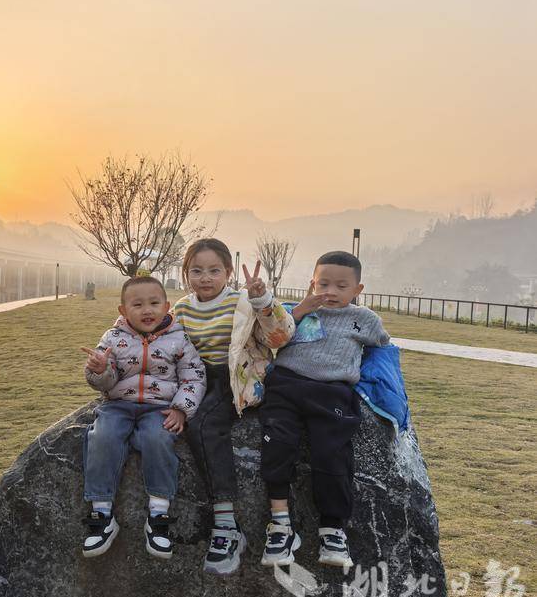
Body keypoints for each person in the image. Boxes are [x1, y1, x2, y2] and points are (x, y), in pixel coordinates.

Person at [259, 250, 390, 568]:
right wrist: (299, 311)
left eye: (341, 286)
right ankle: (280, 524)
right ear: (312, 283)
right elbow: (272, 337)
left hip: (332, 391)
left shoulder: (365, 319)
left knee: (332, 452)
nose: (331, 292)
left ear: (357, 289)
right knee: (277, 444)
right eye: (323, 284)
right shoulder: (296, 311)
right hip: (286, 386)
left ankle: (332, 529)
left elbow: (384, 346)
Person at [174, 238, 295, 575]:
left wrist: (262, 301)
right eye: (196, 271)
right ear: (186, 273)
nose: (205, 278)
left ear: (228, 272)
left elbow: (281, 337)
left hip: (235, 378)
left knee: (203, 424)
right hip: (196, 378)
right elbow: (165, 341)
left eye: (214, 270)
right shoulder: (182, 309)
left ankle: (226, 525)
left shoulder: (242, 302)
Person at [81, 275, 206, 559]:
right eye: (137, 305)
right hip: (118, 405)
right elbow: (104, 380)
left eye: (154, 303)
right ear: (123, 310)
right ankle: (101, 514)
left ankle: (159, 515)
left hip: (159, 407)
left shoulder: (179, 339)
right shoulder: (113, 338)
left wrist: (181, 409)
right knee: (103, 437)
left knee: (158, 438)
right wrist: (100, 370)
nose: (147, 310)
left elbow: (194, 377)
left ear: (167, 306)